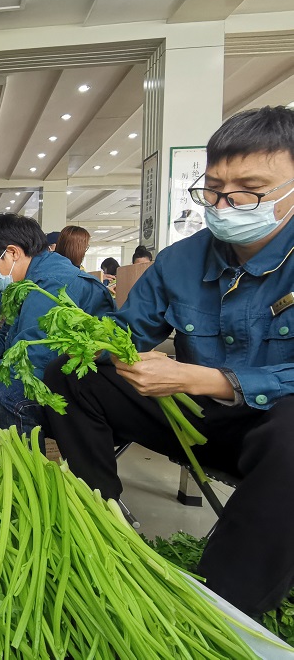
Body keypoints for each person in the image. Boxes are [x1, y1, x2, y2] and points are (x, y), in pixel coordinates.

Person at [41, 105, 294, 617]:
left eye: (248, 190)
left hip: (274, 435)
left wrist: (202, 377)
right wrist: (100, 340)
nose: (225, 204)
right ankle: (100, 518)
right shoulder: (181, 259)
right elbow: (129, 329)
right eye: (215, 189)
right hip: (198, 418)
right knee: (71, 372)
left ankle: (220, 608)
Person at [0, 214, 115, 435]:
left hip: (85, 385)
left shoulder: (50, 285)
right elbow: (9, 338)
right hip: (62, 374)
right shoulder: (34, 280)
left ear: (13, 252)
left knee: (7, 395)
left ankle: (21, 466)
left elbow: (33, 358)